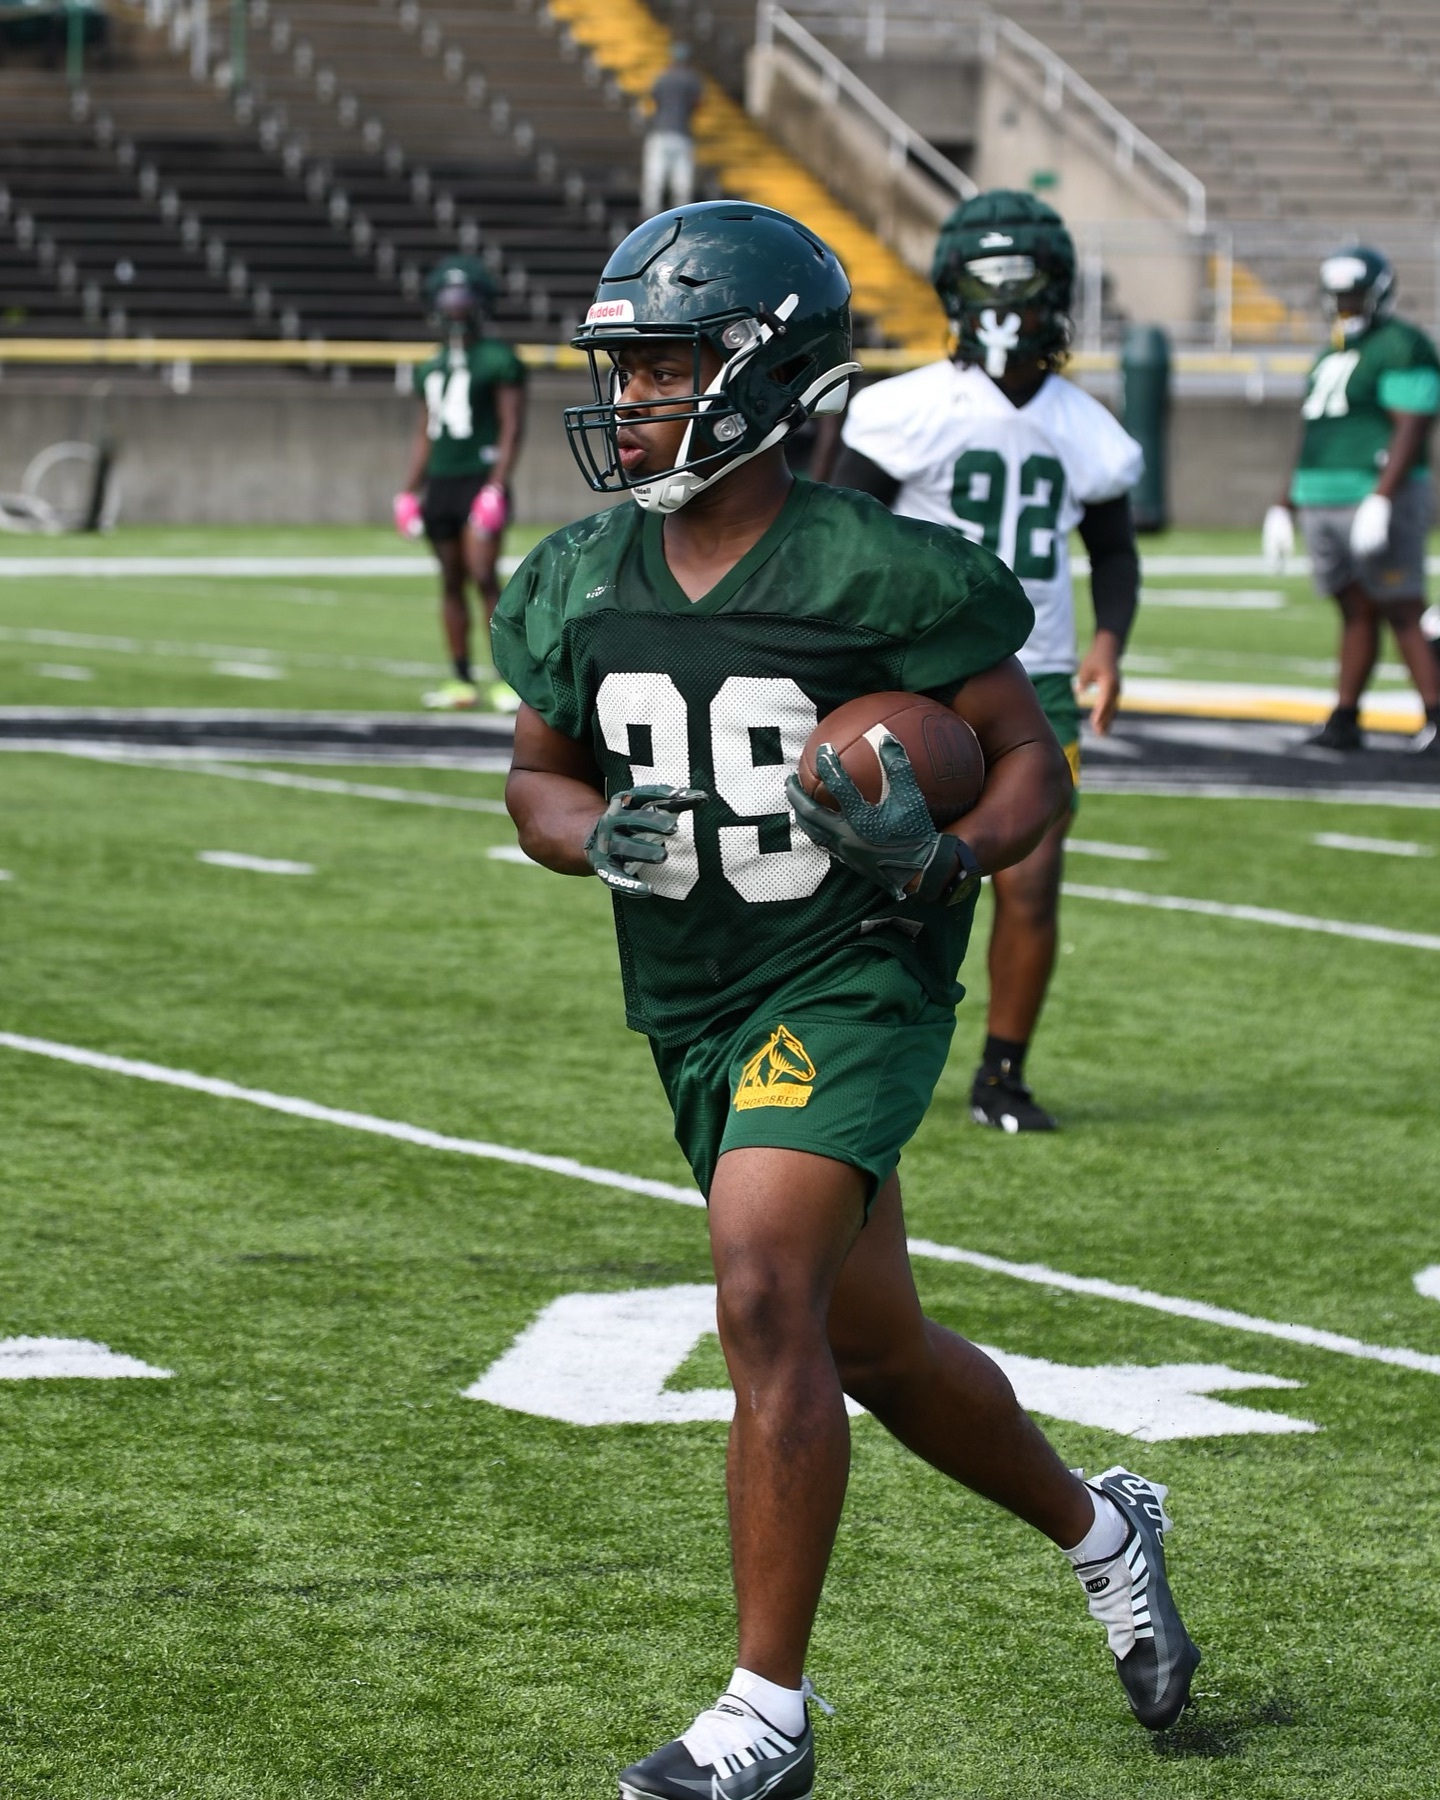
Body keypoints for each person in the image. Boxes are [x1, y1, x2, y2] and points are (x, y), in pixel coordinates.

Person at [495, 200, 1199, 1800]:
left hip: (857, 969)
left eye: (671, 366)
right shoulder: (578, 579)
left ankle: (767, 1714)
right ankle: (1107, 1532)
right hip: (692, 995)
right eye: (629, 368)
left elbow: (1026, 762)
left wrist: (941, 850)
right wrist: (582, 836)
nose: (637, 400)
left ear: (767, 377)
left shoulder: (889, 572)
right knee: (870, 1342)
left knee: (759, 1288)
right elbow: (534, 777)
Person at [832, 190, 1143, 1133]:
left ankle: (1001, 1074)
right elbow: (837, 535)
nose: (1005, 295)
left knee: (1032, 876)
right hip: (912, 674)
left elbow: (1115, 553)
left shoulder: (1088, 428)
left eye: (1022, 277)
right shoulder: (903, 410)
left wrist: (1108, 642)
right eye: (987, 275)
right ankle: (846, 1051)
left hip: (1039, 674)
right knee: (863, 872)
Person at [1262, 245, 1440, 754]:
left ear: (1379, 296)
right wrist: (1285, 503)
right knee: (1354, 608)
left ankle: (1435, 713)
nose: (1345, 306)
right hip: (1323, 495)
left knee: (1401, 603)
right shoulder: (1330, 353)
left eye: (1355, 296)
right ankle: (1345, 716)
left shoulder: (1403, 345)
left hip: (1372, 495)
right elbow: (1315, 433)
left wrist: (1383, 497)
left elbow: (1413, 425)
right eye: (1338, 297)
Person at [394, 256, 527, 712]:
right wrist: (409, 491)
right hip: (443, 482)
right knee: (451, 580)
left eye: (463, 296)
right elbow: (424, 431)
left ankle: (508, 677)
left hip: (479, 478)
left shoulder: (498, 359)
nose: (455, 306)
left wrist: (496, 485)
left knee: (484, 575)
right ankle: (460, 678)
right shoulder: (430, 367)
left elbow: (511, 427)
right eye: (448, 297)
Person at [641, 43, 702, 219]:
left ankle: (649, 215)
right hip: (682, 134)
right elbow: (698, 103)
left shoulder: (663, 77)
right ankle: (681, 218)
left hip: (660, 132)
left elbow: (655, 99)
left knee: (655, 178)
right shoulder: (692, 79)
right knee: (682, 182)